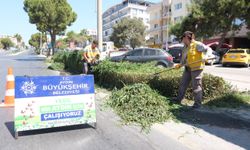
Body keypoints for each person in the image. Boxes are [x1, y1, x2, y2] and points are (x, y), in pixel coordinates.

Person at [174, 31, 208, 109]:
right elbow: (184, 58)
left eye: (182, 38)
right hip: (188, 68)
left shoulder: (197, 44)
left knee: (196, 86)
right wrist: (180, 65)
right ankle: (179, 99)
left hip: (197, 68)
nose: (182, 40)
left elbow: (207, 49)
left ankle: (197, 104)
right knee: (183, 84)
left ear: (186, 37)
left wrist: (205, 56)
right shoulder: (185, 47)